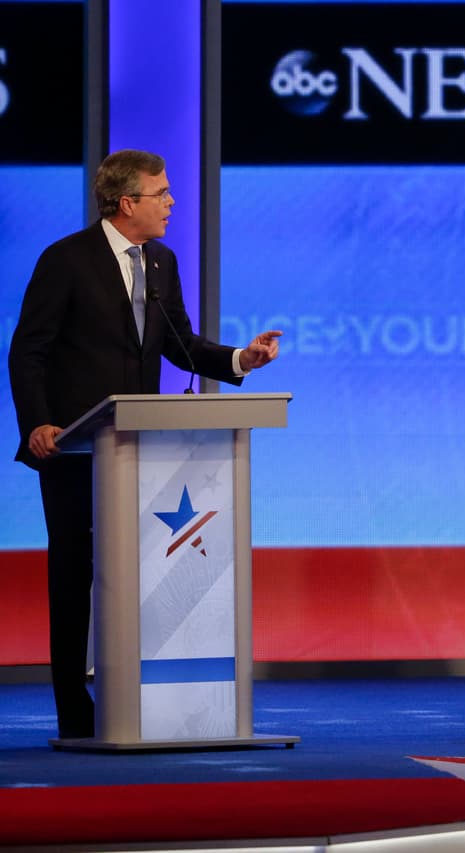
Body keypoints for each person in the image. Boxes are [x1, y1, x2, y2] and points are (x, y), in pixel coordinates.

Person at [7, 149, 283, 740]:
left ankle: (147, 700)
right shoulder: (66, 260)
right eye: (161, 193)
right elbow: (27, 350)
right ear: (126, 202)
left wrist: (240, 359)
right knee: (74, 574)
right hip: (75, 450)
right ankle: (74, 709)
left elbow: (179, 342)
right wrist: (39, 423)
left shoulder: (161, 261)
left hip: (141, 452)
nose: (172, 203)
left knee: (143, 574)